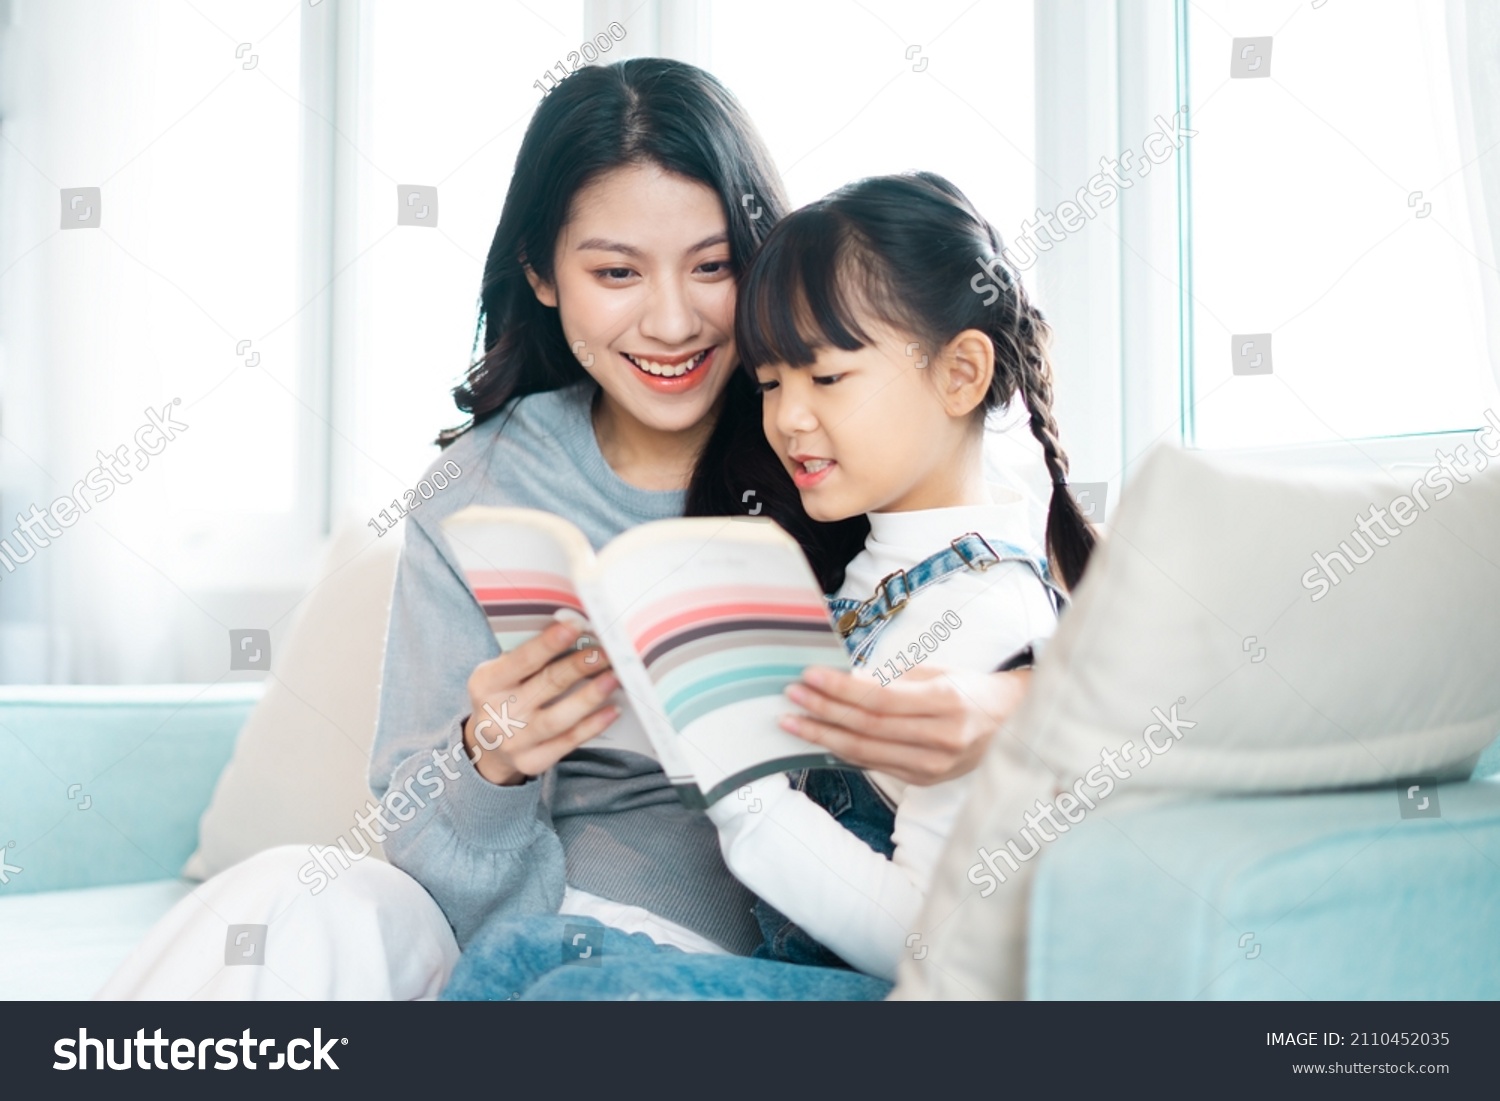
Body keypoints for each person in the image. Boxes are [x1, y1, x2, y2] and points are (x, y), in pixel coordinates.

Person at [99, 59, 1030, 1001]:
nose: (672, 322)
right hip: (502, 936)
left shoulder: (841, 435)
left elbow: (1060, 607)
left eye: (713, 266)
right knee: (275, 904)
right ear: (542, 274)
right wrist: (487, 756)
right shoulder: (478, 485)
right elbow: (417, 833)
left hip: (738, 960)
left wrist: (1009, 702)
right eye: (616, 272)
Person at [444, 172, 1091, 1000]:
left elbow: (922, 942)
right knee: (520, 956)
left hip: (912, 993)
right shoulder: (872, 561)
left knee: (584, 998)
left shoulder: (984, 612)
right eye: (771, 382)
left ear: (961, 374)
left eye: (826, 379)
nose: (786, 418)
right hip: (810, 973)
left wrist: (739, 788)